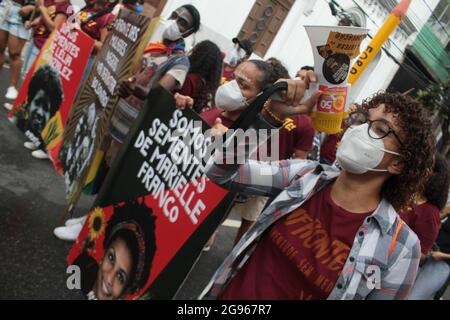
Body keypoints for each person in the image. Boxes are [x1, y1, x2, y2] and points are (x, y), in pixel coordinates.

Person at [200, 78, 435, 299]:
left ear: (398, 163)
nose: (362, 130)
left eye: (381, 129)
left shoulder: (401, 248)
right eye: (363, 120)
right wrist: (271, 117)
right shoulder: (304, 175)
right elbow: (220, 172)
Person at [106, 4, 201, 165]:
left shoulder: (180, 61)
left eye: (182, 22)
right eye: (174, 16)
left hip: (132, 124)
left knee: (111, 167)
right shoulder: (152, 44)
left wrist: (135, 88)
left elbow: (158, 93)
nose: (174, 22)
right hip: (114, 110)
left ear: (189, 32)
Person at [72, 199, 156, 300]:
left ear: (127, 289)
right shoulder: (80, 269)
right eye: (111, 258)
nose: (109, 279)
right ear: (104, 253)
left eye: (120, 277)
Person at [405, 153, 450, 299]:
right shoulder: (409, 196)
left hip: (440, 262)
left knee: (413, 297)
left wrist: (440, 256)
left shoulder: (429, 213)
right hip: (429, 250)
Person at [15, 64, 63, 159]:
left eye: (46, 108)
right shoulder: (20, 119)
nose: (40, 113)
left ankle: (47, 149)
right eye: (37, 103)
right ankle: (37, 140)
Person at [21, 0, 71, 76]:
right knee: (24, 74)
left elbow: (55, 29)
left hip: (44, 47)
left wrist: (41, 7)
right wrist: (31, 23)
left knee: (31, 78)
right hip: (35, 41)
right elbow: (45, 17)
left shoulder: (66, 6)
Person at [174, 40, 223, 113]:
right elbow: (199, 118)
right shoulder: (211, 88)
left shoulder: (189, 80)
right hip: (194, 123)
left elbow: (176, 107)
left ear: (197, 55)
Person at [0, 0, 32, 101]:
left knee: (14, 53)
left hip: (22, 12)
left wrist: (32, 7)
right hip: (6, 5)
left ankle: (12, 87)